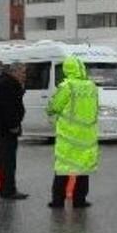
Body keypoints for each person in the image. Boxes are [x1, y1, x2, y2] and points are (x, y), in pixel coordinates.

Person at [46, 56, 99, 209]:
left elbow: (55, 107)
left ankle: (58, 201)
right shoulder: (92, 86)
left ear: (66, 69)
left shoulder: (67, 86)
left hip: (69, 135)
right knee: (83, 169)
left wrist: (49, 109)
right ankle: (80, 201)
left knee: (63, 168)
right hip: (87, 135)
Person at [0, 63, 28, 200]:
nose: (25, 75)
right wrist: (13, 125)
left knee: (8, 161)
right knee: (7, 161)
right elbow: (8, 108)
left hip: (4, 128)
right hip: (6, 129)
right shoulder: (8, 84)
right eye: (23, 72)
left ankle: (9, 188)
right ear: (15, 72)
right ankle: (8, 190)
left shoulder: (9, 83)